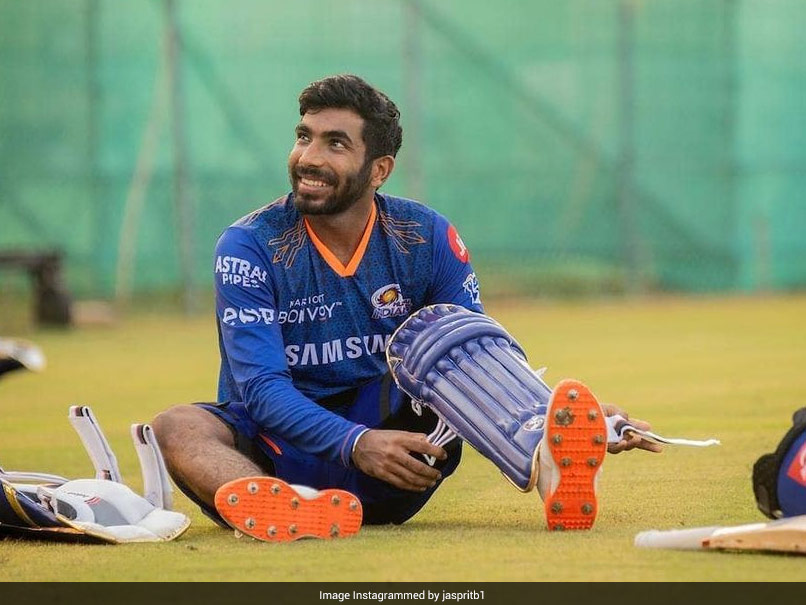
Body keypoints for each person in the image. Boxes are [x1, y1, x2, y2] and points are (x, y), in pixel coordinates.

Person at [152, 74, 659, 541]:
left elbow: (481, 357)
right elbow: (261, 390)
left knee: (451, 352)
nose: (308, 157)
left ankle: (547, 453)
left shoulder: (427, 236)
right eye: (304, 136)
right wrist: (354, 444)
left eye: (335, 143)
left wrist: (553, 412)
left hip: (399, 455)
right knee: (177, 427)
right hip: (278, 452)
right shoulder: (249, 246)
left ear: (380, 169)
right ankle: (287, 509)